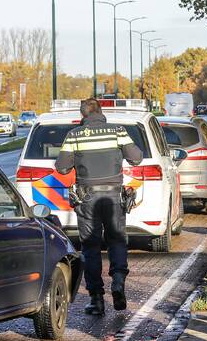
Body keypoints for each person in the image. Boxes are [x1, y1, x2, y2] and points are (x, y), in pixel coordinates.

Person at [55, 98, 143, 315]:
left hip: (87, 199)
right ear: (101, 112)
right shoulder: (117, 131)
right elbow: (136, 158)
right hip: (114, 197)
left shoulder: (74, 135)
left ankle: (96, 300)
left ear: (82, 115)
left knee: (91, 248)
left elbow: (62, 168)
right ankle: (118, 282)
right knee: (117, 240)